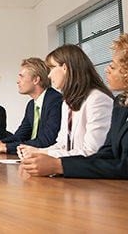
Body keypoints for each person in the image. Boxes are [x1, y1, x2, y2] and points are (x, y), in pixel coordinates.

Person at [21, 34, 128, 178]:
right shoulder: (120, 102)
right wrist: (40, 154)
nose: (107, 69)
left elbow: (94, 153)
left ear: (65, 68)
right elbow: (106, 152)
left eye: (113, 66)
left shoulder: (98, 99)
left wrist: (56, 164)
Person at [18, 45, 113, 159]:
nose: (49, 75)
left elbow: (91, 152)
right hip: (73, 170)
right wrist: (36, 151)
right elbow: (62, 145)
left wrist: (41, 153)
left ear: (65, 68)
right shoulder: (67, 102)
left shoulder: (97, 99)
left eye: (52, 68)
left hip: (90, 173)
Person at [0, 58, 62, 154]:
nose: (17, 81)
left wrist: (4, 147)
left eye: (21, 77)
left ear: (36, 80)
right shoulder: (31, 105)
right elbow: (20, 136)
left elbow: (46, 141)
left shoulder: (55, 101)